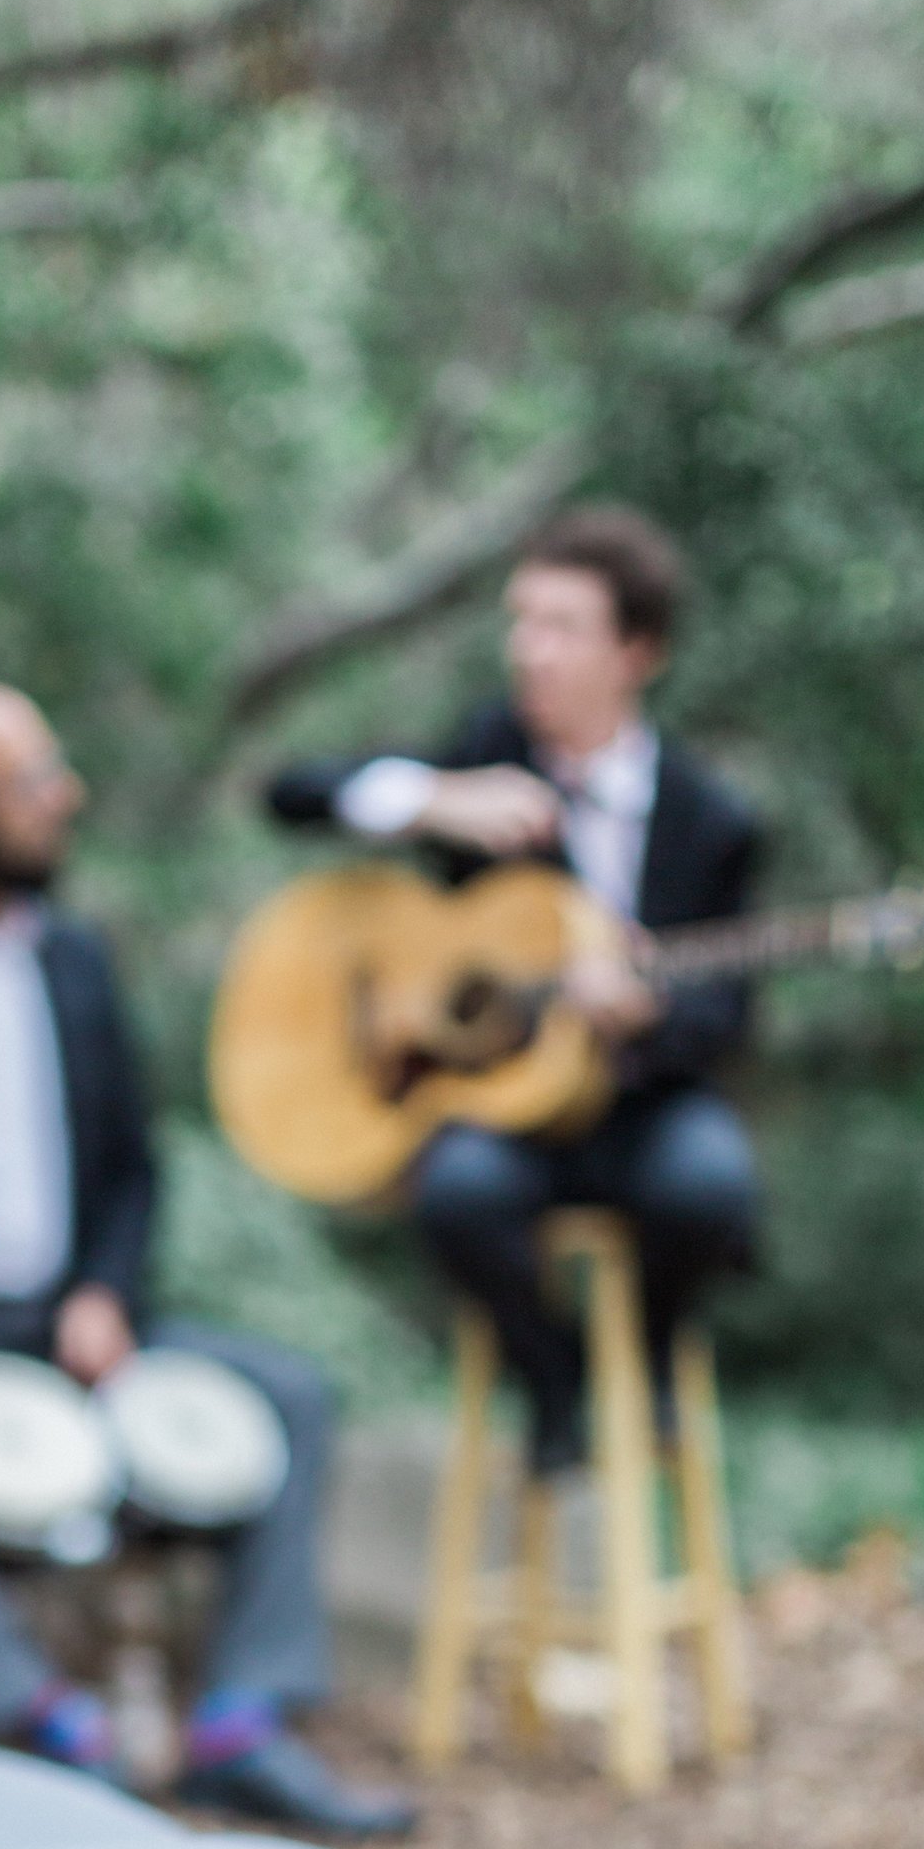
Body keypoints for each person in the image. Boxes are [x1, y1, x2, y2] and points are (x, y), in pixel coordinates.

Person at [0, 678, 414, 1837]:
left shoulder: (71, 957)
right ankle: (40, 1718)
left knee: (293, 1399)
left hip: (63, 1321)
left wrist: (104, 1290)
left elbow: (128, 1165)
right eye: (30, 783)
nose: (66, 798)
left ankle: (241, 1722)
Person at [263, 502, 761, 1476]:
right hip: (499, 1116)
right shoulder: (485, 751)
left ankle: (650, 1359)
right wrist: (434, 799)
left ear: (637, 650)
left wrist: (647, 1011)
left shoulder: (712, 817)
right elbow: (291, 793)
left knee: (712, 1188)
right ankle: (555, 1383)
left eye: (560, 627)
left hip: (638, 1107)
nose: (528, 651)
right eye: (520, 622)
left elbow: (729, 1014)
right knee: (451, 1193)